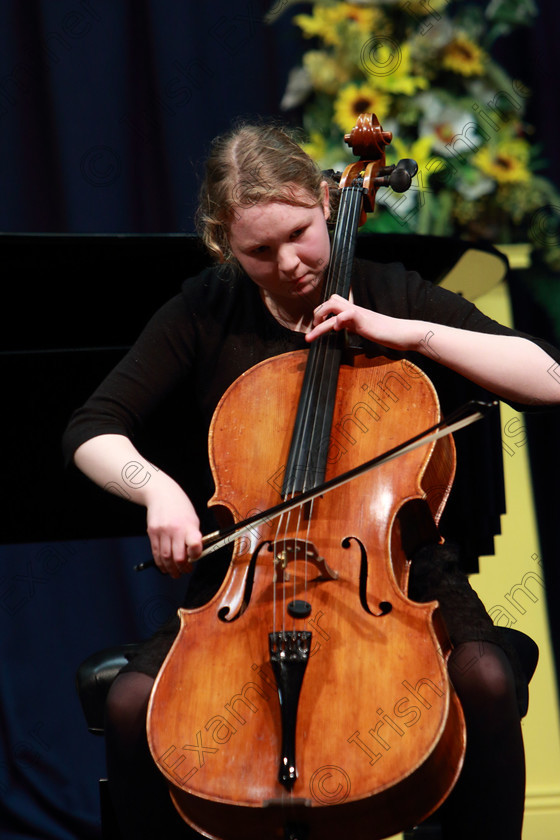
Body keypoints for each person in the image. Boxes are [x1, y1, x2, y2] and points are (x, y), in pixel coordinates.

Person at [63, 120, 560, 840]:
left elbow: (549, 378)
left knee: (483, 680)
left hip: (396, 570)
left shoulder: (391, 289)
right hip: (251, 573)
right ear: (224, 244)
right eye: (258, 251)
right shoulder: (206, 309)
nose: (290, 263)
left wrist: (409, 333)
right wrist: (157, 488)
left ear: (327, 202)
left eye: (299, 234)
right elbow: (92, 428)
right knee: (131, 706)